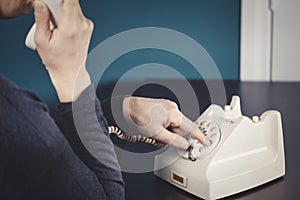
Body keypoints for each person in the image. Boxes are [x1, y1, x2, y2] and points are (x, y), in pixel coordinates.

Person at [0, 0, 210, 199]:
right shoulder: (13, 112)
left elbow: (51, 149)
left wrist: (118, 112)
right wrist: (73, 75)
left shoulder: (19, 119)